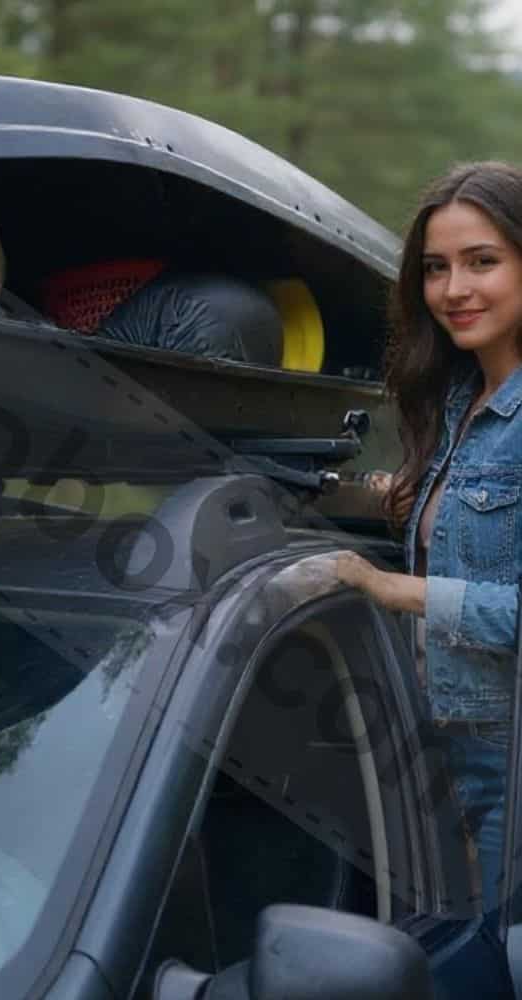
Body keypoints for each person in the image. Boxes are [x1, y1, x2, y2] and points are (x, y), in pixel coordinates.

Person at [335, 161, 522, 924]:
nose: (454, 290)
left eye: (483, 262)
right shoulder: (458, 400)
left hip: (510, 761)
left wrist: (395, 588)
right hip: (441, 744)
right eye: (436, 268)